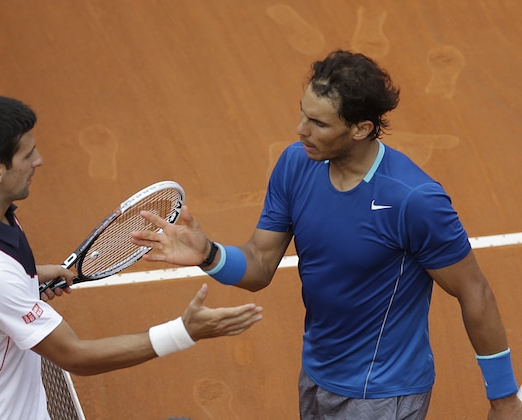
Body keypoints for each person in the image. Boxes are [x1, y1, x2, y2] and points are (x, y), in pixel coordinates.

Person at [130, 50, 522, 419]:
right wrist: (209, 255)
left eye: (318, 124)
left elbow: (475, 291)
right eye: (304, 115)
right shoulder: (296, 164)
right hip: (318, 371)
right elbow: (260, 263)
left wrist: (504, 399)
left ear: (361, 129)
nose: (301, 130)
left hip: (383, 390)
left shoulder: (413, 201)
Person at [0, 95, 263, 419]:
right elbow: (76, 356)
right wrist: (184, 331)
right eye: (28, 155)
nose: (39, 161)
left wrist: (29, 278)